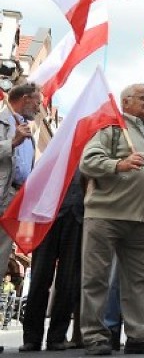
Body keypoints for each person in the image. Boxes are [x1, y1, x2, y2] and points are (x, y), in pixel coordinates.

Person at [79, 84, 144, 355]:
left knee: (142, 280)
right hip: (106, 214)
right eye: (143, 98)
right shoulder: (110, 128)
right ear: (125, 102)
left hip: (143, 220)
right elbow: (88, 161)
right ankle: (95, 336)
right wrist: (118, 164)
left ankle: (139, 336)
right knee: (96, 278)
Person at [19, 165, 83, 352]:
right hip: (46, 215)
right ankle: (32, 337)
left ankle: (57, 336)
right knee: (39, 278)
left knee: (68, 281)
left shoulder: (91, 146)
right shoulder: (58, 146)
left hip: (77, 215)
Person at [0, 83, 41, 338]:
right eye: (37, 101)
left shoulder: (30, 132)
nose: (39, 107)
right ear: (24, 99)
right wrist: (12, 142)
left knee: (1, 261)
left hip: (14, 201)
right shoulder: (4, 123)